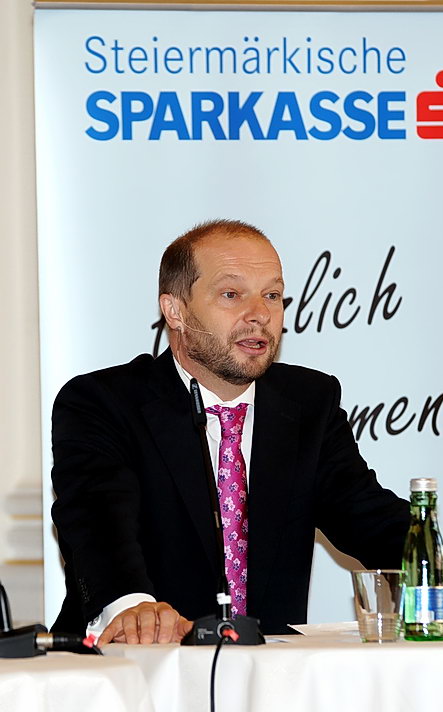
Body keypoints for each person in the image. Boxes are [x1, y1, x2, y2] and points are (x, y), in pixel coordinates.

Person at [51, 220, 409, 644]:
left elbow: (370, 519)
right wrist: (132, 606)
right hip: (138, 663)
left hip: (271, 670)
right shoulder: (103, 402)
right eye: (231, 294)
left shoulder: (310, 402)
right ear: (176, 311)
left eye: (272, 295)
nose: (260, 314)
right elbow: (97, 523)